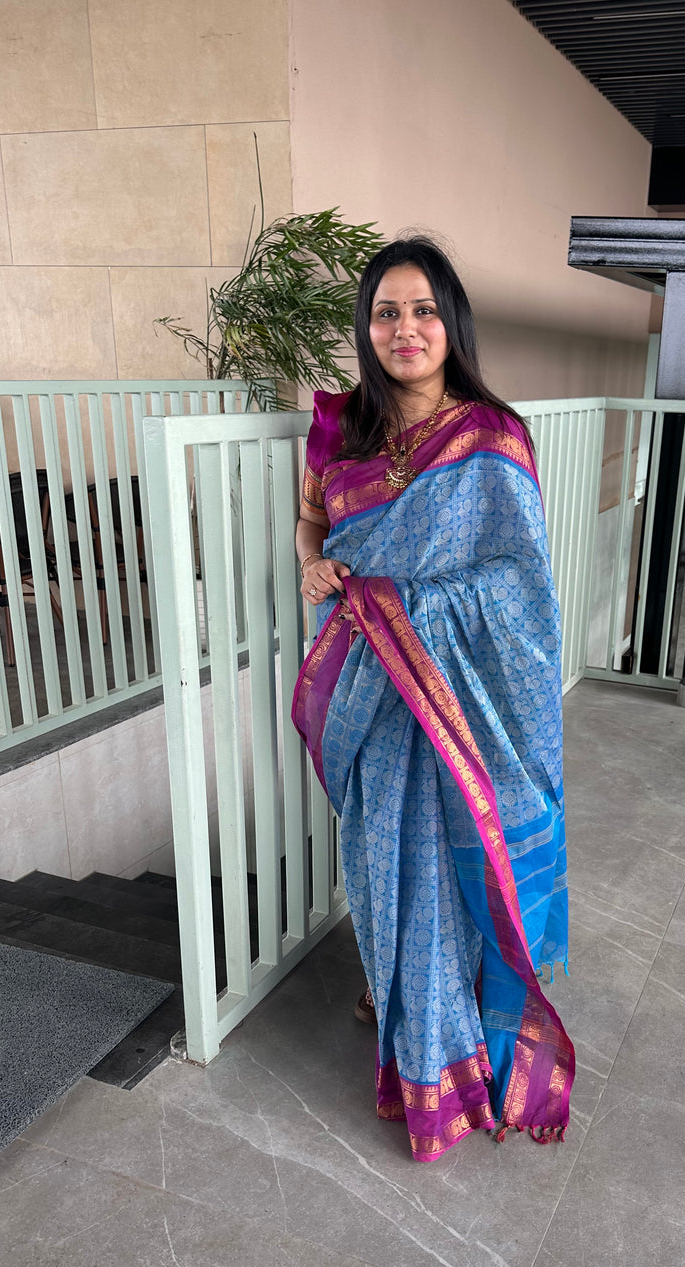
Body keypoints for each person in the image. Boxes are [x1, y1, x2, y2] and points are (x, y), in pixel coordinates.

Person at [291, 236, 574, 1162]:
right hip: (376, 706)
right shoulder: (341, 432)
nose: (404, 329)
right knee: (378, 874)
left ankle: (457, 1063)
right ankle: (406, 1025)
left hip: (458, 706)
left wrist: (404, 602)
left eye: (422, 310)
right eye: (385, 312)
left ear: (452, 322)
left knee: (456, 882)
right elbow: (312, 516)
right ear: (365, 328)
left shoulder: (491, 438)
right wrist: (312, 561)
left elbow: (521, 585)